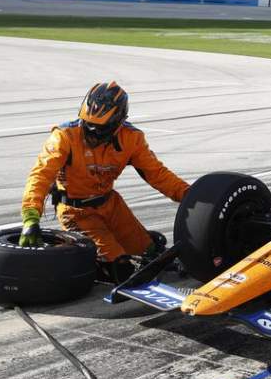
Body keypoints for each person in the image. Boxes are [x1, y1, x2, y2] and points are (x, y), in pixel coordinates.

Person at [20, 82, 190, 283]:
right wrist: (31, 217)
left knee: (152, 252)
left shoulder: (132, 138)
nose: (92, 134)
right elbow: (41, 175)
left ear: (119, 123)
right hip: (76, 212)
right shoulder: (64, 136)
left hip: (111, 205)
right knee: (120, 268)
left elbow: (158, 175)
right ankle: (90, 256)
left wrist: (191, 196)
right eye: (88, 126)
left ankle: (141, 240)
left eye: (100, 129)